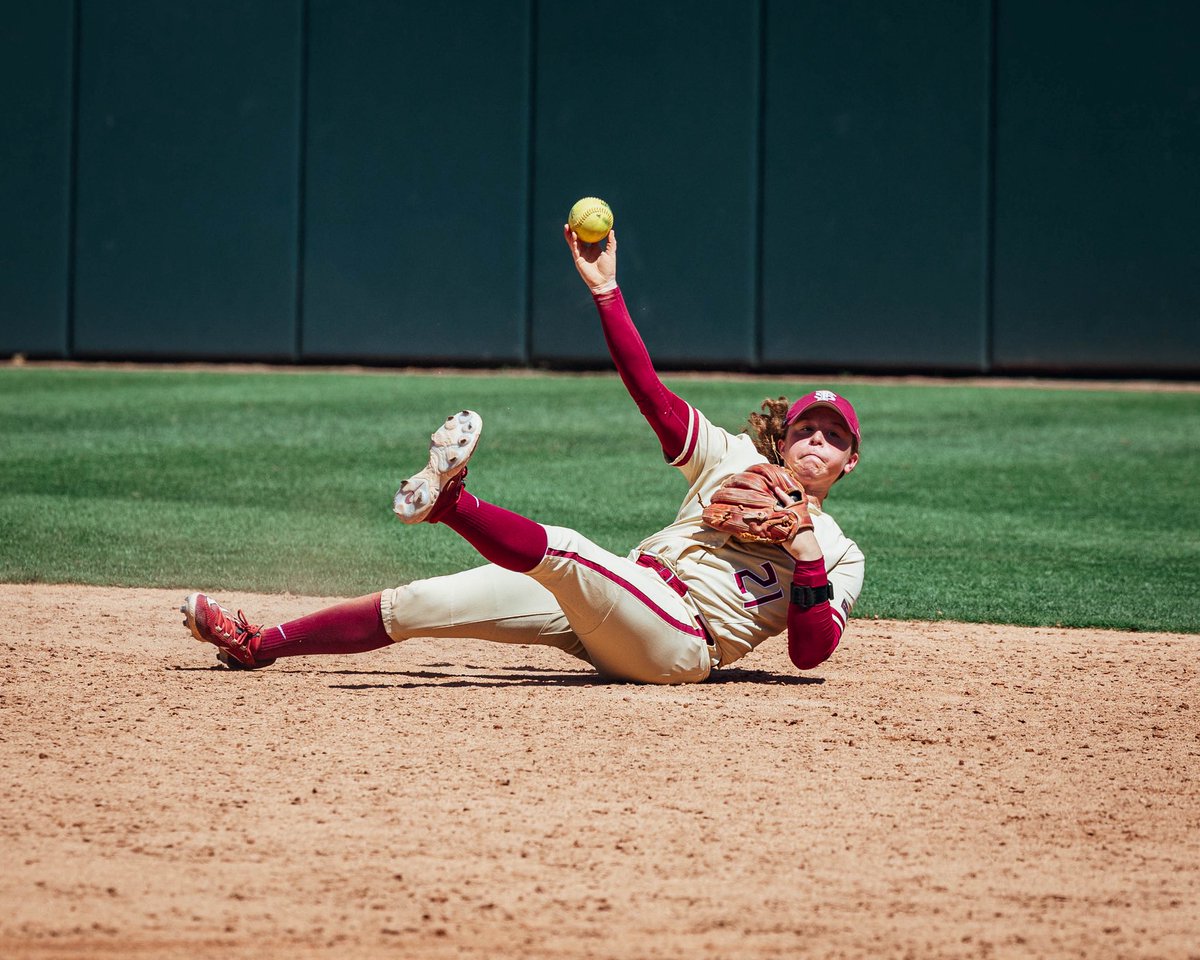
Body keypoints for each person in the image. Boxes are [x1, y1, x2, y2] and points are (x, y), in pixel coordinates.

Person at [181, 225, 865, 684]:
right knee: (419, 602)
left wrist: (806, 560)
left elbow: (810, 655)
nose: (817, 442)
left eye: (834, 438)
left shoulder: (840, 551)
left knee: (565, 548)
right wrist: (606, 292)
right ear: (785, 436)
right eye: (808, 428)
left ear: (849, 462)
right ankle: (258, 644)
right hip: (621, 597)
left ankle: (452, 504)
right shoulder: (733, 458)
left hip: (681, 643)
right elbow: (651, 392)